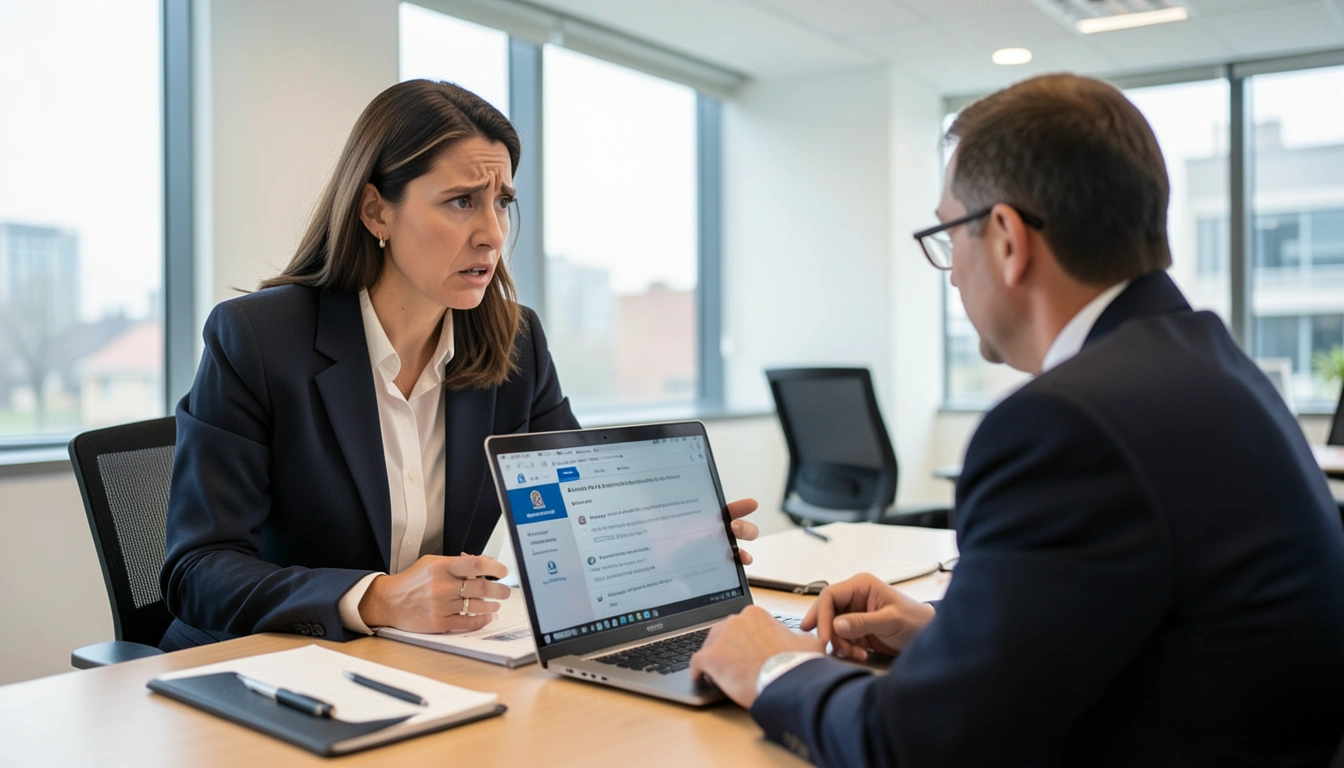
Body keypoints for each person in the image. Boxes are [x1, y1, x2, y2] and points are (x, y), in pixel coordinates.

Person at [690, 73, 1344, 766]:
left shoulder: (1067, 423)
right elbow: (1154, 616)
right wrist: (943, 634)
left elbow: (913, 747)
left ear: (1006, 238)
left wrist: (770, 666)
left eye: (947, 235)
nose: (948, 273)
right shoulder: (1211, 363)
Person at [160, 79, 758, 649]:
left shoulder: (515, 343)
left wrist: (660, 541)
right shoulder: (259, 339)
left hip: (423, 663)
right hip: (261, 668)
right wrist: (377, 599)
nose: (492, 234)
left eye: (501, 203)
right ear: (376, 212)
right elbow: (198, 570)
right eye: (461, 202)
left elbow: (580, 513)